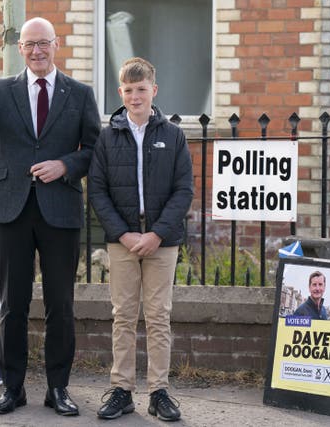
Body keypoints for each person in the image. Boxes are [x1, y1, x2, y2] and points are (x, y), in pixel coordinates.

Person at [0, 17, 101, 416]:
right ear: (21, 49)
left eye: (44, 43)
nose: (37, 51)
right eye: (30, 44)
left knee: (60, 305)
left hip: (60, 210)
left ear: (56, 44)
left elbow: (94, 150)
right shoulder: (0, 89)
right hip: (10, 208)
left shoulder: (80, 93)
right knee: (12, 304)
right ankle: (12, 388)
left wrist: (65, 166)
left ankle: (58, 389)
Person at [88, 57, 194, 422]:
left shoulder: (173, 135)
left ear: (154, 91)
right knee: (123, 315)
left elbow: (184, 190)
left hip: (162, 242)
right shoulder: (107, 137)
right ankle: (122, 389)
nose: (135, 97)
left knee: (159, 316)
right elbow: (98, 192)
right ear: (121, 93)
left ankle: (159, 391)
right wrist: (124, 233)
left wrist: (156, 234)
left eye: (142, 90)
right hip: (122, 241)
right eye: (129, 91)